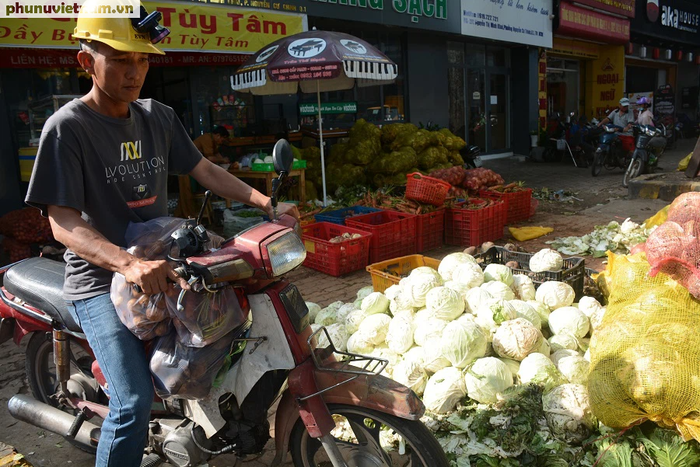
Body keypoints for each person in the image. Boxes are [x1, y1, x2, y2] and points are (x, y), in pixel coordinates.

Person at [24, 3, 298, 466]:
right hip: (99, 281)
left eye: (143, 59)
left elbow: (204, 169)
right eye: (122, 60)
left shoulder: (158, 116)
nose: (135, 72)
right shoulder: (67, 128)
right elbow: (62, 221)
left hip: (164, 265)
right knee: (131, 403)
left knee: (234, 329)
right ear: (86, 61)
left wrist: (267, 204)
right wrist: (128, 263)